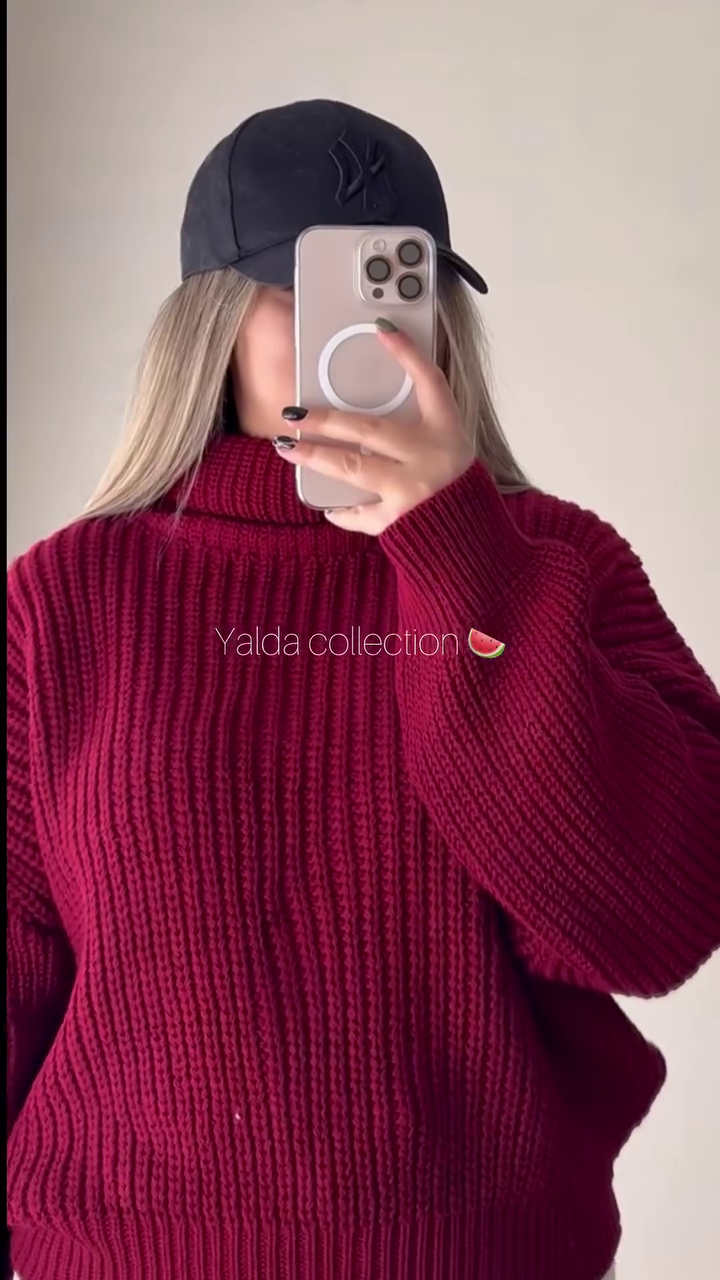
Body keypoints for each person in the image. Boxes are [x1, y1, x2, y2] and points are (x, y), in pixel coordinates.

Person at [6, 98, 720, 1280]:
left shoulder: (557, 565)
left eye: (399, 290)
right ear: (211, 323)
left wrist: (463, 555)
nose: (370, 338)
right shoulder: (65, 597)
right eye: (311, 292)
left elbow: (653, 922)